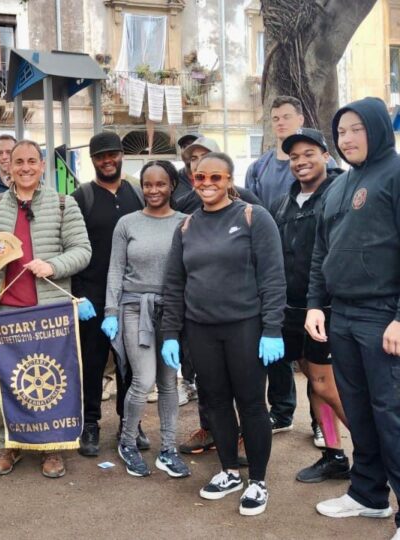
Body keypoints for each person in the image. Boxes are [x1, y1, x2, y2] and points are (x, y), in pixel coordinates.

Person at [161, 152, 286, 516]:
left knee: (250, 403)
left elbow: (273, 276)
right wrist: (171, 333)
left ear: (229, 180)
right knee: (214, 402)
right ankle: (229, 470)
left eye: (216, 178)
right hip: (201, 329)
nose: (208, 184)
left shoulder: (252, 216)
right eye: (200, 178)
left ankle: (258, 481)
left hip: (245, 327)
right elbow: (174, 283)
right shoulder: (186, 226)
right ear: (193, 180)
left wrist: (273, 328)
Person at [0, 139, 91, 478]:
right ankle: (12, 444)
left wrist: (53, 266)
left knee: (53, 380)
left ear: (43, 163)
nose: (25, 167)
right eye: (18, 161)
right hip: (5, 310)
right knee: (9, 381)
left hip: (50, 310)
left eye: (32, 160)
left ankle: (53, 449)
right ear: (8, 165)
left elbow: (82, 250)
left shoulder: (65, 204)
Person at [306, 98, 400, 533]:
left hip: (383, 316)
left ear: (378, 129)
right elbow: (322, 252)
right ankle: (368, 494)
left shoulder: (395, 174)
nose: (347, 139)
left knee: (391, 414)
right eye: (341, 132)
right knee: (359, 412)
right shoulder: (340, 186)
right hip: (341, 315)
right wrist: (313, 304)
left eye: (356, 129)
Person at [269, 128, 350, 483]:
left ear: (326, 156)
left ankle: (375, 453)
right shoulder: (285, 201)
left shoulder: (341, 193)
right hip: (292, 309)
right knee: (316, 385)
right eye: (294, 157)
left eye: (309, 154)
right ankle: (334, 454)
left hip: (329, 309)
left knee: (327, 385)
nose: (301, 162)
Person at [174, 136, 260, 456]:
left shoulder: (250, 205)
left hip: (240, 314)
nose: (199, 163)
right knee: (207, 381)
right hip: (198, 312)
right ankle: (211, 429)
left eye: (205, 156)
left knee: (242, 383)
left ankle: (246, 437)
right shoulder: (185, 203)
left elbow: (264, 255)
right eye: (193, 159)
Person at [103, 160, 189, 478]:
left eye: (160, 184)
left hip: (171, 311)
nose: (153, 190)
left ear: (172, 186)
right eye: (148, 184)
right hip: (133, 308)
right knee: (143, 379)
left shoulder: (186, 222)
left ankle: (168, 448)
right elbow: (115, 270)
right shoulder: (127, 223)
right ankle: (127, 441)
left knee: (169, 381)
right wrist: (110, 312)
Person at [71, 131, 146, 458]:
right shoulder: (81, 197)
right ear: (93, 161)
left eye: (112, 154)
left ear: (121, 156)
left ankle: (130, 422)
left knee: (131, 363)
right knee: (92, 362)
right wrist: (77, 295)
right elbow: (70, 246)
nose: (107, 160)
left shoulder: (137, 194)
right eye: (101, 156)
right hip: (94, 295)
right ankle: (90, 423)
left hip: (131, 294)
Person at [245, 95, 306, 209]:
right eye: (276, 119)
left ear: (300, 120)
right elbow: (251, 212)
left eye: (286, 117)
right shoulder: (257, 168)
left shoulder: (320, 163)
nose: (280, 122)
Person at [174, 133, 201, 204]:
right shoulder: (172, 179)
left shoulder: (218, 180)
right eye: (185, 146)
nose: (189, 149)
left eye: (194, 145)